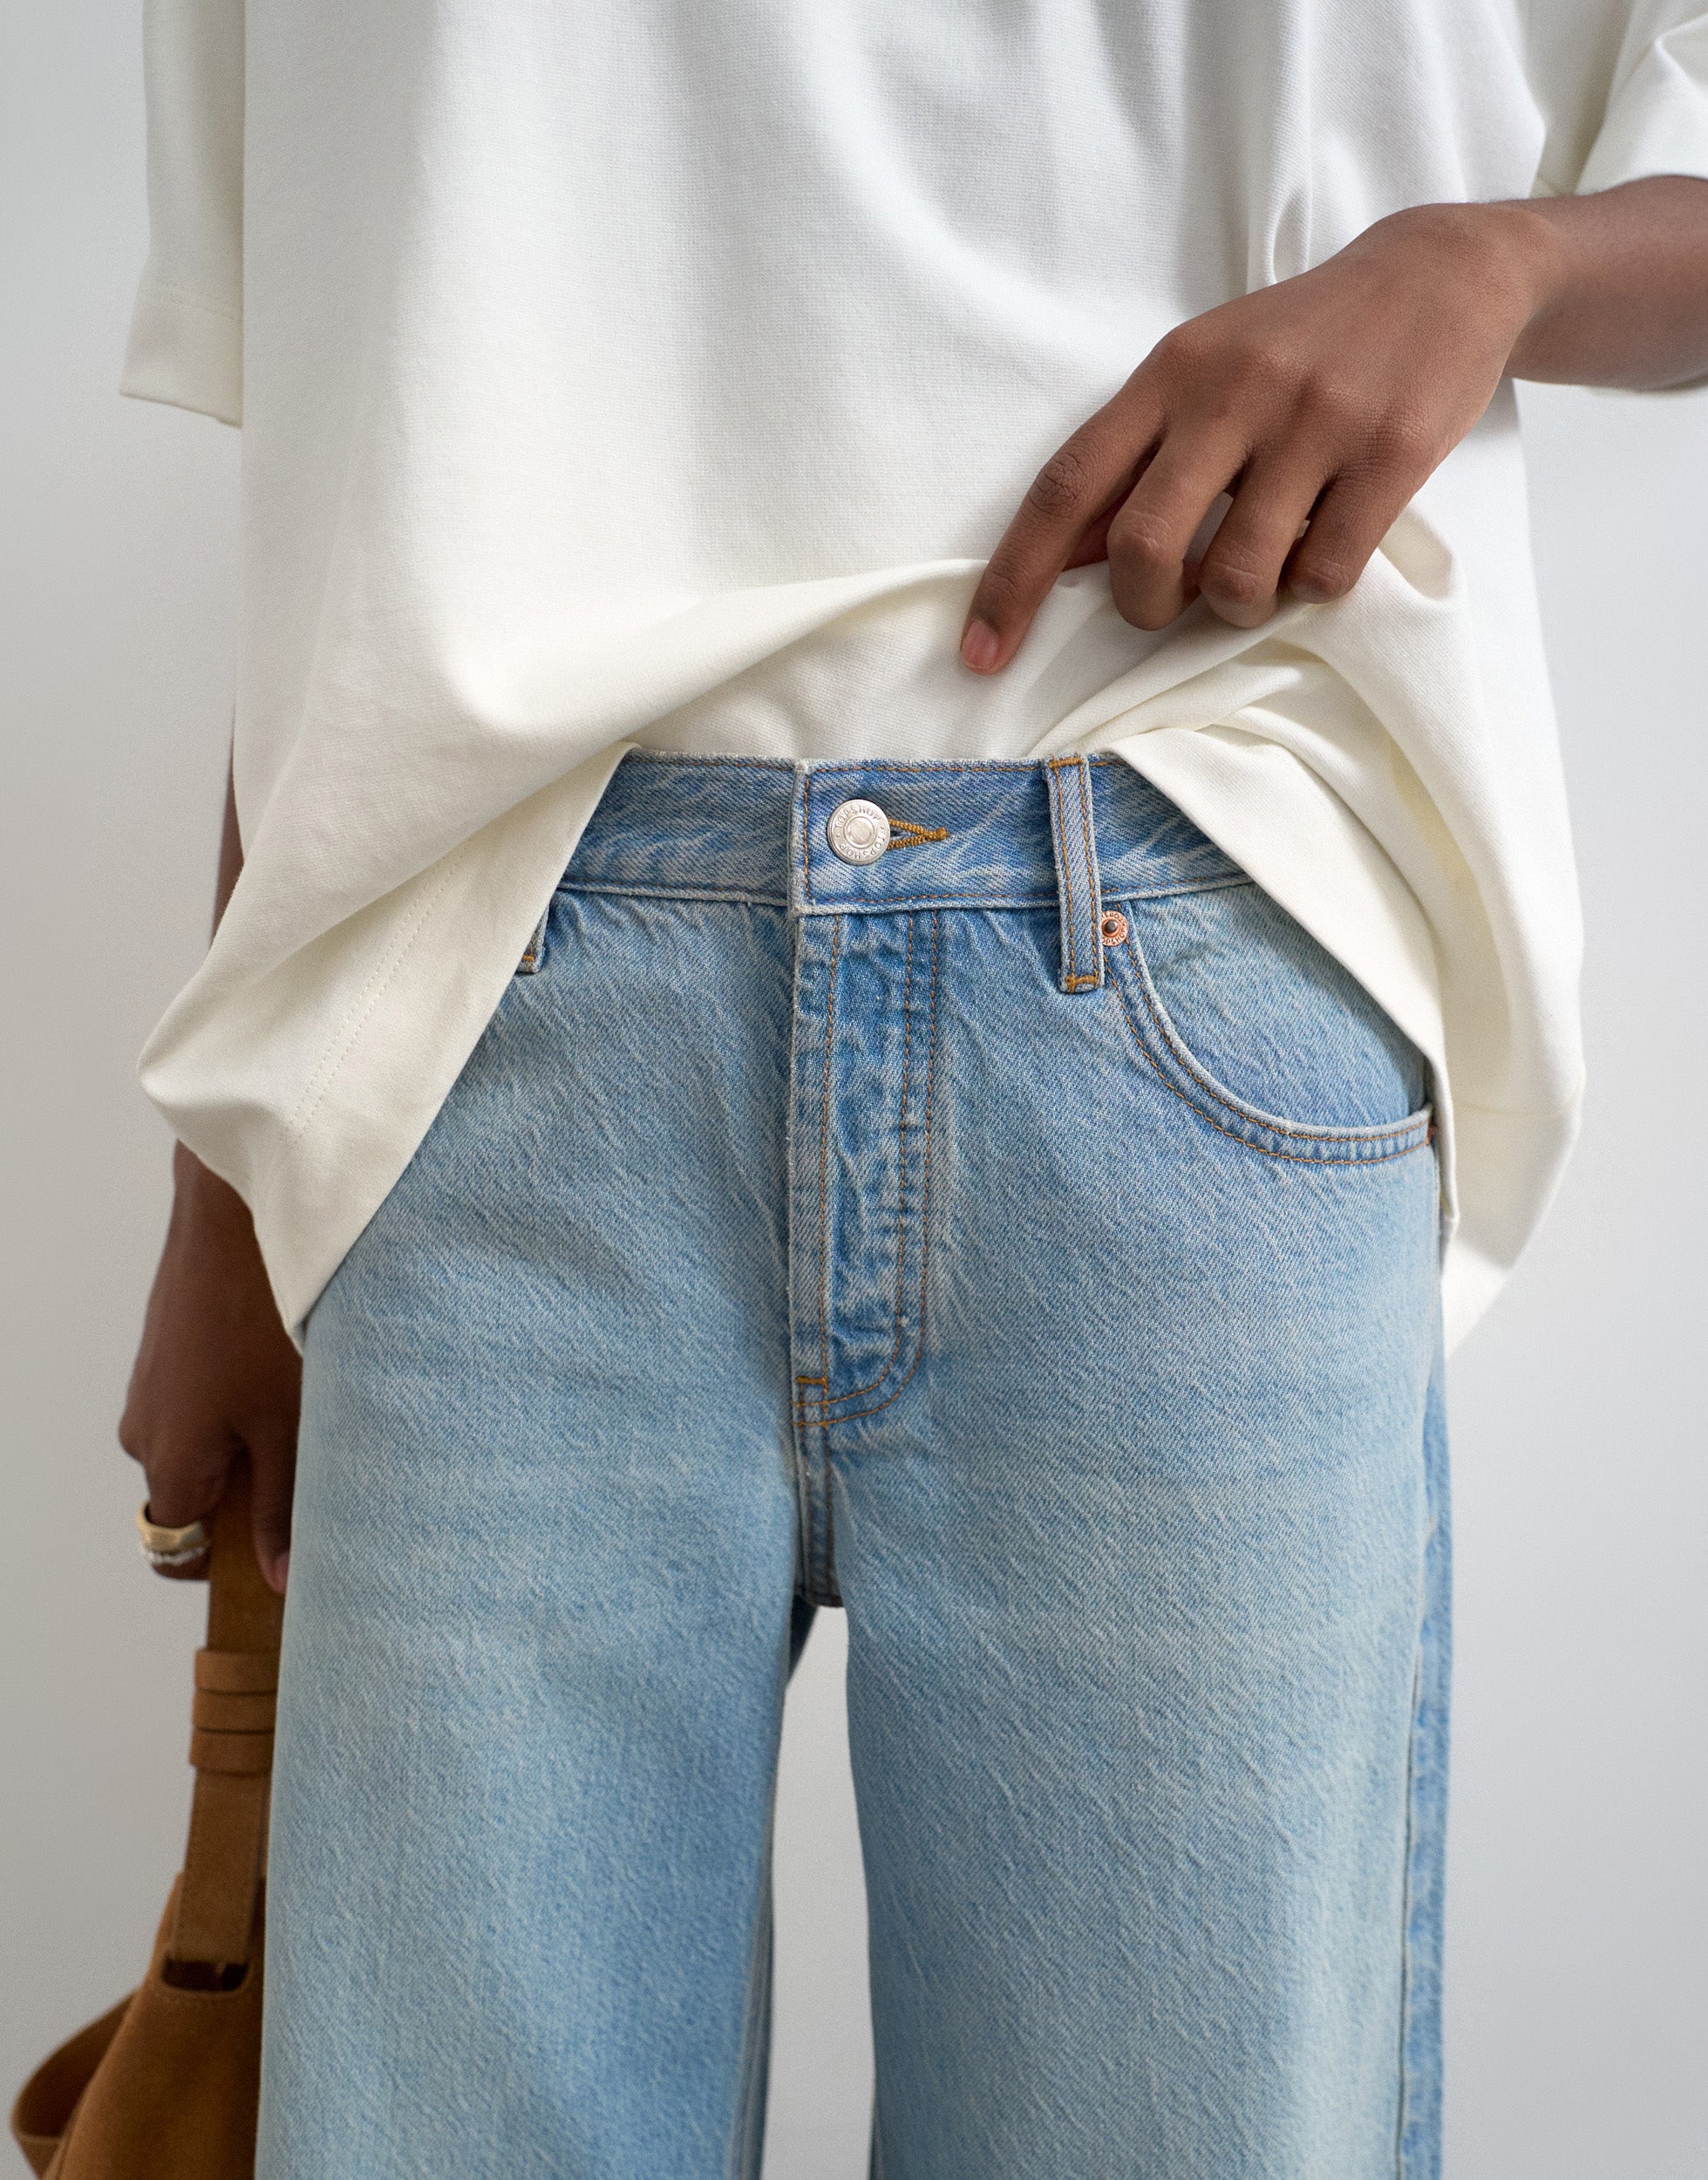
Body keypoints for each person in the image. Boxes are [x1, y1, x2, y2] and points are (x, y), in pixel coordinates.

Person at [114, 3, 1708, 2173]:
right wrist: (225, 1191)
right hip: (477, 1021)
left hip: (1182, 967)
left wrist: (1495, 264)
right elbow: (362, 436)